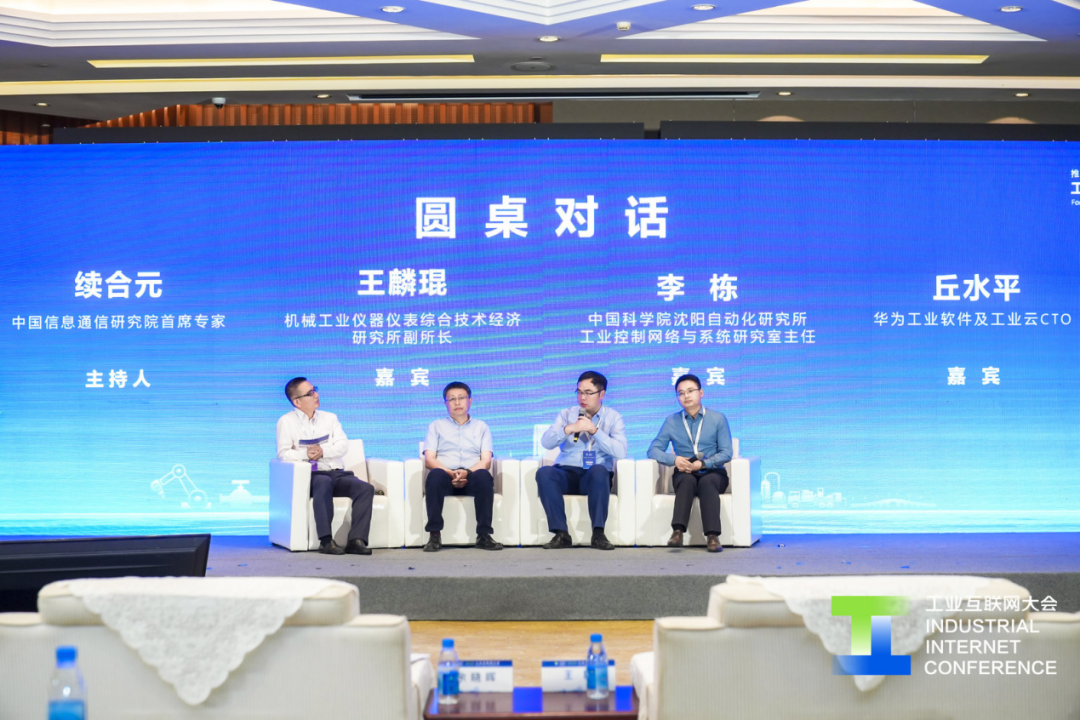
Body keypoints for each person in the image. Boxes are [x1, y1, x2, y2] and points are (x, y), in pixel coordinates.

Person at [276, 377, 374, 555]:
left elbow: (343, 445)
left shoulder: (330, 418)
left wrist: (323, 452)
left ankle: (356, 540)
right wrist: (305, 455)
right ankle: (326, 541)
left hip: (336, 473)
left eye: (315, 390)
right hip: (311, 477)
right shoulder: (286, 421)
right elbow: (283, 454)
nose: (316, 395)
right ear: (297, 402)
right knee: (323, 482)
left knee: (365, 488)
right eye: (310, 393)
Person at [536, 371, 627, 550]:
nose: (582, 398)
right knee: (544, 473)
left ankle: (598, 534)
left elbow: (620, 451)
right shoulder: (566, 414)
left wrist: (594, 431)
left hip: (595, 476)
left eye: (588, 393)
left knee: (599, 470)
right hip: (567, 473)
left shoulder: (614, 417)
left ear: (601, 394)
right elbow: (546, 442)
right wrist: (569, 428)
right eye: (579, 392)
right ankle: (561, 534)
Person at [647, 373, 733, 553]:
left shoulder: (718, 418)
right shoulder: (671, 421)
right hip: (685, 471)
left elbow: (726, 452)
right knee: (686, 481)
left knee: (708, 482)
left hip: (713, 472)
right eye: (681, 393)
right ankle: (677, 533)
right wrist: (675, 460)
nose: (686, 396)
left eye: (690, 391)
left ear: (701, 393)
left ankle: (712, 536)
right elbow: (653, 450)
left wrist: (703, 464)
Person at [422, 382, 503, 552]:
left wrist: (466, 472)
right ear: (445, 403)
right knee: (435, 475)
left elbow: (486, 461)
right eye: (452, 399)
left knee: (483, 476)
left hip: (472, 475)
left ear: (470, 401)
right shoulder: (435, 426)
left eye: (461, 398)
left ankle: (484, 535)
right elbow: (429, 460)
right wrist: (450, 473)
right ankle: (434, 535)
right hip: (445, 475)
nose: (457, 402)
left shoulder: (482, 427)